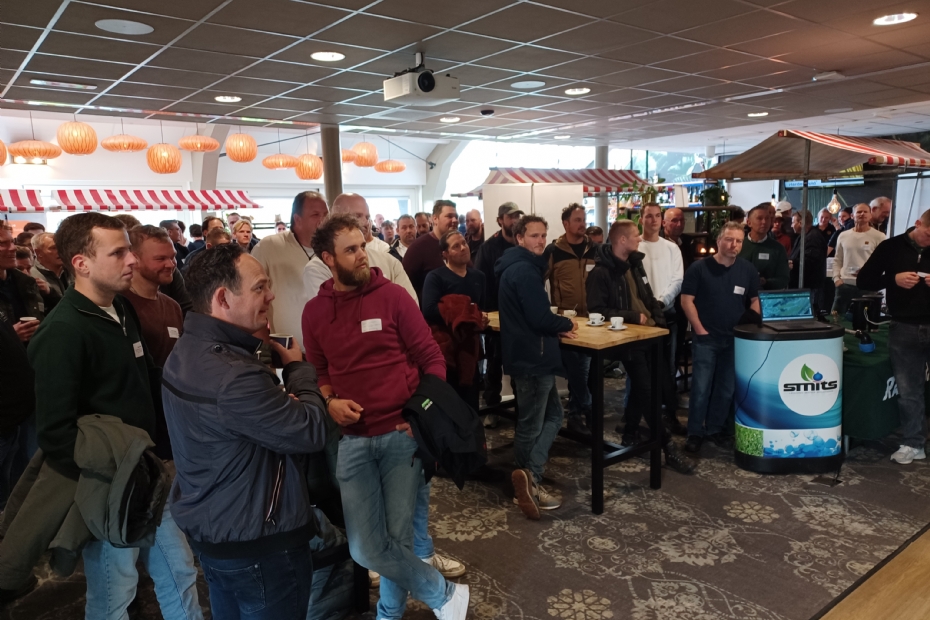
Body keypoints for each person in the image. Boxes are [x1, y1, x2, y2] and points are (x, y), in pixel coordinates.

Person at [15, 213, 202, 618]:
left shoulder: (119, 307)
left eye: (129, 250)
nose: (131, 260)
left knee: (180, 571)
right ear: (81, 263)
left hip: (150, 470)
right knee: (114, 590)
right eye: (118, 253)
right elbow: (55, 433)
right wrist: (108, 474)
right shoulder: (62, 331)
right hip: (109, 485)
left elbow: (148, 378)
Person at [303, 214, 469, 620]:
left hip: (400, 436)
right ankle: (444, 593)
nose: (363, 255)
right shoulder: (314, 312)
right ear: (328, 258)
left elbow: (432, 359)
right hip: (353, 440)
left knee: (397, 539)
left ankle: (388, 615)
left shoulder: (393, 297)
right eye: (351, 250)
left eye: (363, 245)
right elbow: (320, 371)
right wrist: (329, 401)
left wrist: (421, 416)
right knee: (365, 547)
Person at [161, 244, 326, 618]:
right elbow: (312, 430)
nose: (270, 296)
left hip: (217, 528)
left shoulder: (187, 348)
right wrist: (298, 370)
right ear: (222, 298)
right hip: (259, 542)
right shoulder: (234, 376)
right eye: (259, 287)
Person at [585, 220, 695, 473]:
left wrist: (658, 319)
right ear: (622, 240)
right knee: (647, 392)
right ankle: (668, 447)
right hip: (626, 340)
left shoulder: (635, 264)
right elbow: (596, 310)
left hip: (649, 336)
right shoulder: (600, 273)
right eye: (635, 235)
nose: (639, 239)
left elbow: (647, 295)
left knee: (646, 387)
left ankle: (630, 432)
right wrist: (633, 317)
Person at [496, 215, 579, 520]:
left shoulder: (518, 266)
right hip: (533, 357)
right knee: (531, 424)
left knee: (554, 416)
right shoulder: (524, 270)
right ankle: (528, 484)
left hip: (531, 354)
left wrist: (555, 325)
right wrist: (565, 323)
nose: (541, 241)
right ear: (519, 238)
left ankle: (528, 476)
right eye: (534, 236)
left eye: (543, 235)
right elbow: (539, 317)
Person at [857, 209, 930, 464]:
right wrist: (893, 279)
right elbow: (864, 280)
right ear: (917, 224)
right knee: (909, 391)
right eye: (928, 234)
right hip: (904, 326)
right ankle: (913, 443)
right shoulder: (891, 247)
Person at [680, 222, 760, 454]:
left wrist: (750, 325)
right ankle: (695, 432)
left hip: (735, 340)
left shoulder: (747, 270)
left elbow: (755, 300)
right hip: (706, 338)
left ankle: (714, 430)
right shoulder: (699, 268)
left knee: (726, 389)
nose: (734, 245)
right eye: (729, 239)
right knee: (701, 389)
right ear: (718, 241)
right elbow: (686, 300)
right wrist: (699, 329)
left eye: (739, 241)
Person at [251, 190, 328, 352]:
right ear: (297, 219)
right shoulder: (269, 247)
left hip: (330, 348)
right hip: (287, 350)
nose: (323, 221)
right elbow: (252, 298)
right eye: (315, 215)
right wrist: (264, 345)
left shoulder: (334, 248)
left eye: (326, 214)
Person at [305, 195, 417, 304]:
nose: (365, 223)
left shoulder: (389, 261)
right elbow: (331, 311)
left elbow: (410, 307)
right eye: (357, 216)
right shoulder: (317, 268)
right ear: (336, 218)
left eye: (367, 217)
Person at [545, 203, 597, 436]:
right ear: (566, 224)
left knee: (583, 370)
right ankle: (585, 409)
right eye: (577, 220)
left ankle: (577, 414)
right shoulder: (553, 251)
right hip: (566, 322)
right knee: (577, 369)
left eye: (584, 219)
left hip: (593, 320)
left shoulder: (594, 249)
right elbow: (538, 280)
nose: (582, 224)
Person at [421, 230, 488, 410]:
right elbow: (428, 310)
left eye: (464, 243)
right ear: (445, 254)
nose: (463, 248)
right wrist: (463, 313)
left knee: (470, 399)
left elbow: (479, 308)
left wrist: (479, 317)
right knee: (449, 401)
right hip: (445, 347)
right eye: (456, 246)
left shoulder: (478, 277)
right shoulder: (435, 277)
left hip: (470, 346)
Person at [638, 203, 687, 435]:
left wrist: (661, 301)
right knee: (639, 369)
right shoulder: (635, 246)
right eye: (649, 216)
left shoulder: (671, 248)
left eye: (657, 215)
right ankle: (635, 416)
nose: (654, 220)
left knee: (668, 367)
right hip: (641, 317)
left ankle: (669, 414)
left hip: (666, 314)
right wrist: (647, 305)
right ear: (641, 219)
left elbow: (677, 280)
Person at [474, 202, 523, 412]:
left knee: (519, 363)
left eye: (517, 216)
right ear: (500, 220)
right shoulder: (488, 248)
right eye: (510, 217)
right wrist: (486, 311)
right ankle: (492, 407)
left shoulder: (523, 243)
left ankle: (521, 408)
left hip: (521, 314)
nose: (515, 220)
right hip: (496, 313)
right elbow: (481, 280)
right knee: (495, 362)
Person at [123, 226, 184, 370]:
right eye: (160, 259)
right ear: (134, 259)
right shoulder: (120, 306)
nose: (171, 264)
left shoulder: (172, 306)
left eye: (172, 257)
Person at [832, 203, 886, 315]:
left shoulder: (879, 236)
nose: (862, 214)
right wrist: (836, 279)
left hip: (868, 286)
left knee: (867, 319)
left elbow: (883, 262)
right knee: (836, 318)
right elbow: (838, 259)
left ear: (870, 215)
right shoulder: (843, 235)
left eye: (865, 212)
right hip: (845, 285)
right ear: (852, 216)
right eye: (859, 212)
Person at [403, 200, 460, 298]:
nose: (455, 220)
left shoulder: (460, 245)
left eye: (456, 216)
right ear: (435, 219)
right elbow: (405, 285)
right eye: (449, 216)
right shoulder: (418, 248)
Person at [0, 227, 44, 343]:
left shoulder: (25, 282)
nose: (13, 248)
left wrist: (50, 292)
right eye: (2, 243)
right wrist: (8, 337)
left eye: (12, 242)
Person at [739, 204, 789, 290]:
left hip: (766, 295)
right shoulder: (738, 245)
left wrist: (766, 282)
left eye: (767, 218)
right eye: (759, 218)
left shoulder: (778, 248)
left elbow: (784, 279)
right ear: (749, 222)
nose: (764, 222)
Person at [789, 210, 827, 311]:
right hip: (806, 286)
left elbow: (811, 262)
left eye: (793, 222)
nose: (792, 225)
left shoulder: (813, 237)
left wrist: (792, 263)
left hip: (809, 288)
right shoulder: (804, 236)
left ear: (801, 223)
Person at [30, 232, 71, 298]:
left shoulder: (73, 271)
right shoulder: (33, 276)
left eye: (61, 247)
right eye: (54, 248)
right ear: (38, 252)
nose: (60, 251)